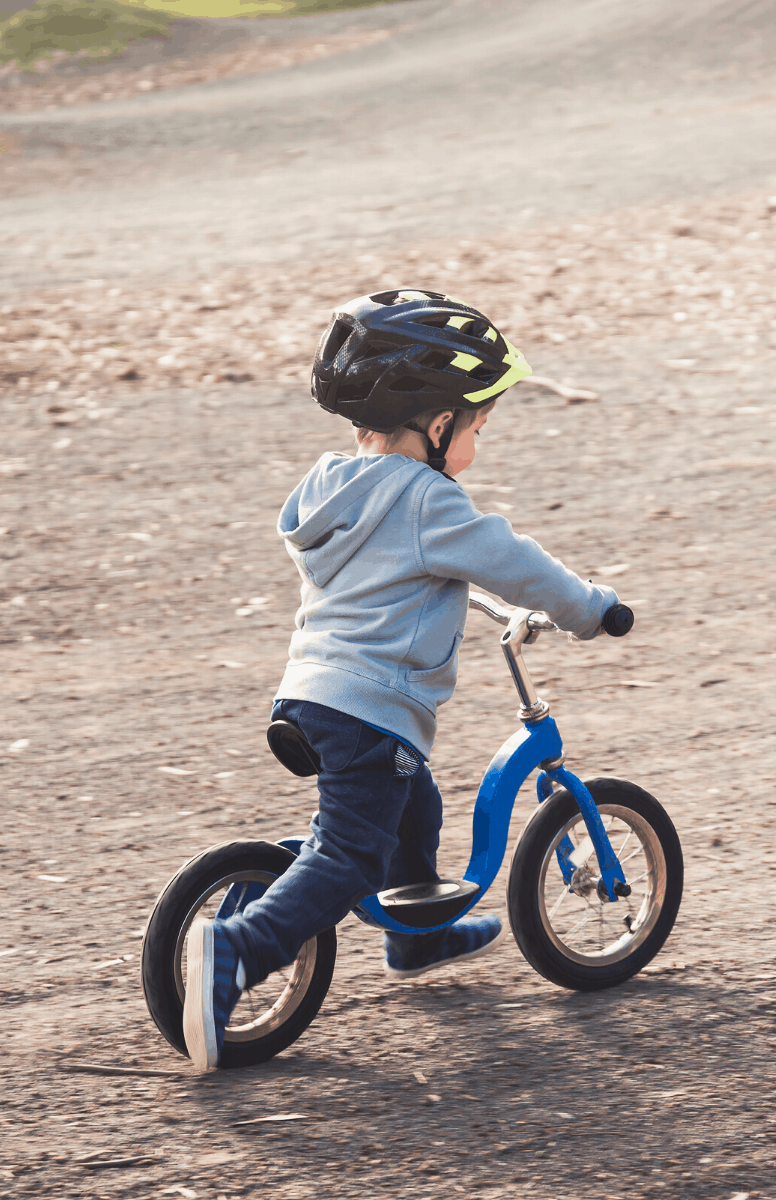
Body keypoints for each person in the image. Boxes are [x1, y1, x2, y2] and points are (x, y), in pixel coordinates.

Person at [183, 288, 619, 1070]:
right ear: (438, 423)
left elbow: (387, 574)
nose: (477, 447)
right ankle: (237, 954)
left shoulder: (334, 488)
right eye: (477, 428)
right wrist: (591, 609)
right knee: (349, 853)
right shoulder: (427, 501)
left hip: (308, 692)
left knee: (414, 803)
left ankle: (417, 939)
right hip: (369, 707)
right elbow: (514, 561)